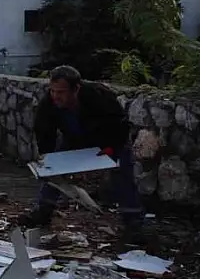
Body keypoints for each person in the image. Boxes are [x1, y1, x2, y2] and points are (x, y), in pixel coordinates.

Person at [17, 65, 144, 237]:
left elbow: (119, 126)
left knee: (123, 172)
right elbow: (44, 130)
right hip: (74, 137)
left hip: (108, 139)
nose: (56, 96)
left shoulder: (100, 96)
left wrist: (110, 150)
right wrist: (47, 158)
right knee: (52, 170)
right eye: (53, 91)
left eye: (61, 92)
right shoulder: (49, 102)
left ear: (76, 89)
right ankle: (43, 210)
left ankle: (133, 220)